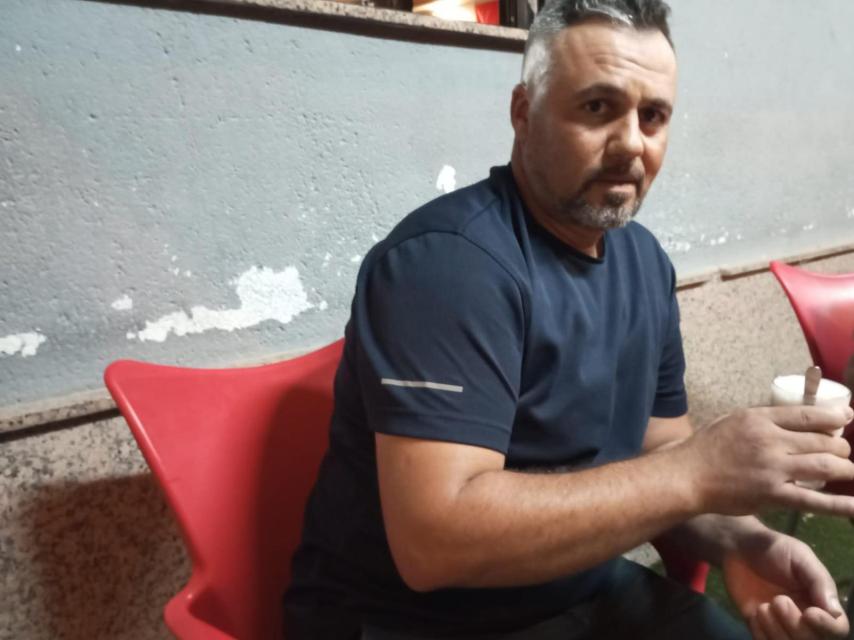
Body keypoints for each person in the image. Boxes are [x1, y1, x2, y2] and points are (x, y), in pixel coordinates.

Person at [285, 1, 854, 638]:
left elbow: (659, 450)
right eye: (597, 107)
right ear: (523, 113)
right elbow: (434, 544)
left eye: (653, 116)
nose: (632, 142)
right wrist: (699, 472)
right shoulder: (447, 267)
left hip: (581, 588)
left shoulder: (643, 262)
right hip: (413, 619)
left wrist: (744, 545)